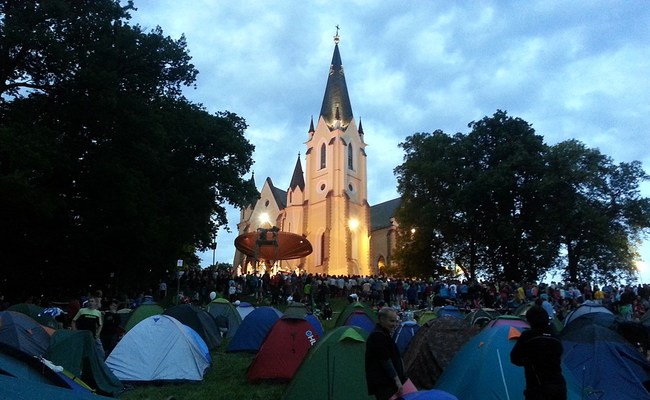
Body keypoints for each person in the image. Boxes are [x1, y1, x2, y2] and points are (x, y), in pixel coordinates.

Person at [511, 305, 566, 400]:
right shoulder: (555, 337)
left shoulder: (528, 336)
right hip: (559, 386)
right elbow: (559, 354)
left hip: (537, 388)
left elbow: (514, 358)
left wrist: (527, 361)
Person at [365, 307, 407, 400]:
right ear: (381, 320)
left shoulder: (385, 333)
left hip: (390, 384)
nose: (395, 324)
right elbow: (385, 361)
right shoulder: (377, 336)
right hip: (385, 385)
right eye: (392, 321)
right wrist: (397, 381)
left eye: (396, 321)